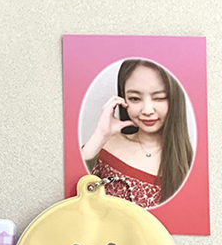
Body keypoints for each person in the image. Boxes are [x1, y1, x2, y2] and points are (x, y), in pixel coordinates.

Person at [82, 59, 193, 207]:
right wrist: (101, 135)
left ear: (175, 99)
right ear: (123, 99)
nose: (147, 110)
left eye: (159, 98)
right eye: (135, 98)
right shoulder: (107, 144)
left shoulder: (189, 164)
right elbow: (72, 191)